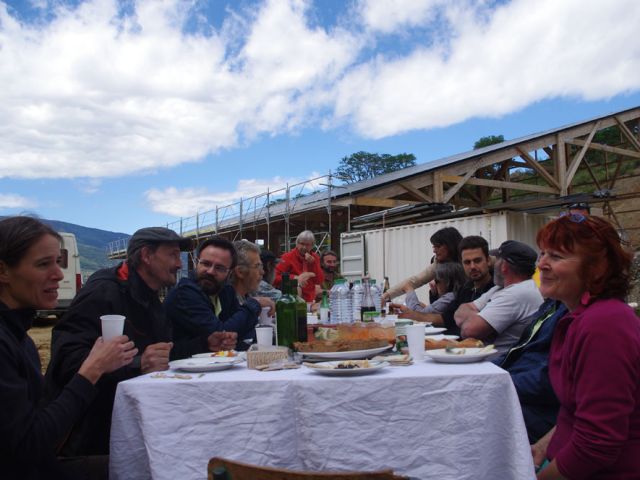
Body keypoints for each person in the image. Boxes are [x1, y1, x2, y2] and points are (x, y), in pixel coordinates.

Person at [45, 227, 236, 456]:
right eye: (173, 255)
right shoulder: (103, 292)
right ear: (146, 256)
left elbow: (162, 356)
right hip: (90, 439)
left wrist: (205, 345)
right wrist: (138, 364)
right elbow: (66, 361)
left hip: (134, 421)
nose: (179, 264)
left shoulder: (150, 296)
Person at [0, 216, 137, 479]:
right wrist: (91, 370)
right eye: (43, 264)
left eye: (58, 262)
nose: (59, 274)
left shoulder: (20, 337)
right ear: (4, 271)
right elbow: (29, 445)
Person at [531, 214, 640, 479]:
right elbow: (579, 409)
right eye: (542, 253)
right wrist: (544, 445)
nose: (542, 264)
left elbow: (597, 444)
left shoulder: (605, 325)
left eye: (556, 256)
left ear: (596, 268)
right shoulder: (581, 317)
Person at [165, 237, 266, 349]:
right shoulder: (185, 293)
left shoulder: (225, 292)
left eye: (220, 268)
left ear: (229, 272)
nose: (211, 271)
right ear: (197, 263)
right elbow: (220, 336)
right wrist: (255, 303)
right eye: (206, 264)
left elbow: (241, 334)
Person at [494, 299, 567, 444]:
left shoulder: (588, 317)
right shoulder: (553, 305)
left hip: (541, 409)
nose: (541, 274)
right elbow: (516, 351)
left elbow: (550, 381)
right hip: (519, 390)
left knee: (468, 413)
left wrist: (497, 382)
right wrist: (482, 372)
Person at [454, 240, 543, 354]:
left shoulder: (517, 293)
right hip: (488, 361)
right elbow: (459, 313)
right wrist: (482, 320)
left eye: (496, 260)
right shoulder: (500, 288)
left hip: (500, 367)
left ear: (504, 266)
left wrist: (480, 320)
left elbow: (468, 330)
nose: (493, 264)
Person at [381, 226, 463, 303]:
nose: (434, 250)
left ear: (450, 245)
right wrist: (386, 296)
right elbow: (415, 280)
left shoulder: (465, 262)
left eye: (437, 246)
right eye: (433, 247)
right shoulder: (437, 263)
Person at [390, 262, 466, 321]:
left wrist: (409, 290)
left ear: (447, 282)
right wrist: (434, 296)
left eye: (437, 281)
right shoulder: (454, 295)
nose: (433, 283)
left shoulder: (449, 297)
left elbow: (420, 315)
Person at [274, 230, 324, 302]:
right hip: (291, 300)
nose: (304, 247)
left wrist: (313, 264)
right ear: (297, 244)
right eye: (302, 244)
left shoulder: (315, 257)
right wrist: (295, 278)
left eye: (307, 245)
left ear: (312, 245)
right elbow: (275, 278)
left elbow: (319, 281)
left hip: (310, 299)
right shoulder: (287, 257)